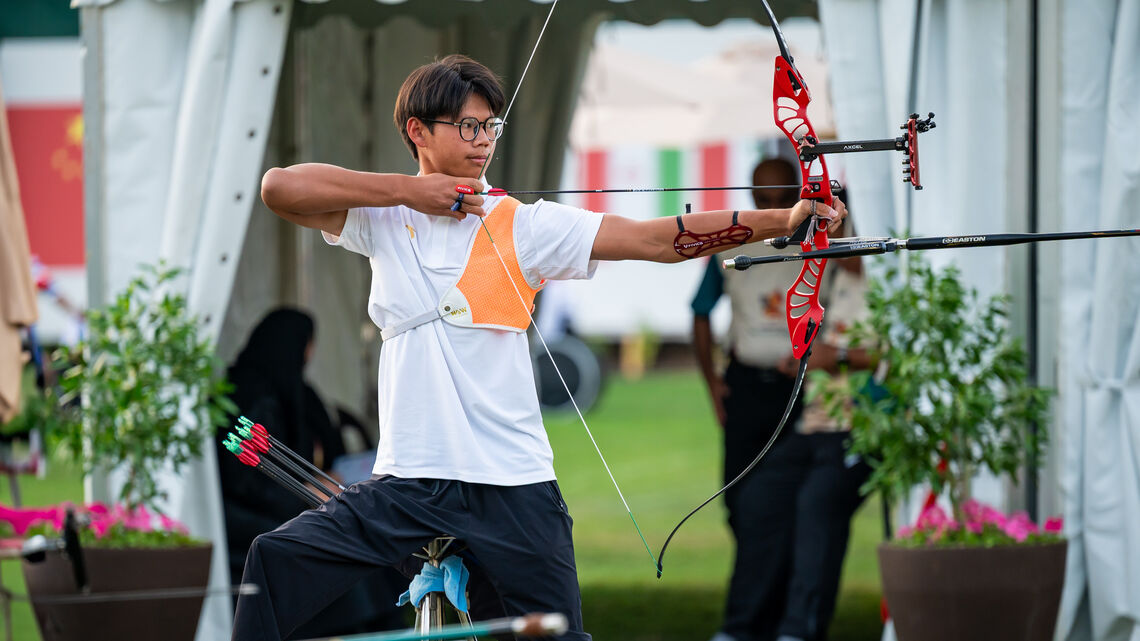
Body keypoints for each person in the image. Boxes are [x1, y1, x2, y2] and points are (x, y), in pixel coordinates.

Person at [234, 55, 847, 641]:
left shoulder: (525, 226)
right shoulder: (385, 219)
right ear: (417, 130)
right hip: (411, 483)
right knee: (274, 562)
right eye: (467, 125)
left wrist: (783, 221)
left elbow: (656, 240)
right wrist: (408, 192)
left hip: (515, 487)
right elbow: (278, 187)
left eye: (490, 126)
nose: (483, 140)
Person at [691, 158, 870, 641]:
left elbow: (856, 278)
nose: (772, 209)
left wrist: (831, 227)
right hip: (749, 385)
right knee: (746, 503)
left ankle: (785, 622)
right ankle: (752, 618)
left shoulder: (821, 240)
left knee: (800, 506)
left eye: (780, 199)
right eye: (762, 201)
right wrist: (714, 385)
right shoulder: (735, 242)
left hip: (807, 395)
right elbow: (700, 312)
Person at [217, 308, 405, 638]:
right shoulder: (250, 396)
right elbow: (246, 483)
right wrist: (305, 488)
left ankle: (381, 625)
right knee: (342, 542)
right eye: (308, 344)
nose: (311, 352)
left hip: (288, 500)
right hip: (248, 514)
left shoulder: (295, 390)